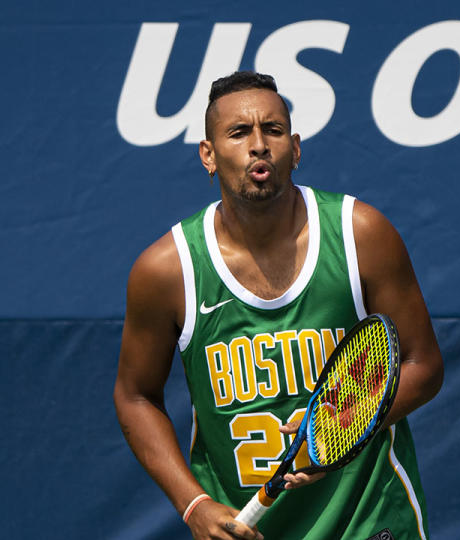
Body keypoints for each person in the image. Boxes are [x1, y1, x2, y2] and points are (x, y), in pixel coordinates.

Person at [113, 71, 443, 540]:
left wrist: (339, 430)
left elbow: (423, 364)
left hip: (367, 519)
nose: (259, 144)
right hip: (246, 526)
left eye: (273, 130)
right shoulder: (167, 270)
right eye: (238, 132)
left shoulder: (360, 234)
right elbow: (135, 396)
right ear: (208, 155)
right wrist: (194, 505)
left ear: (296, 148)